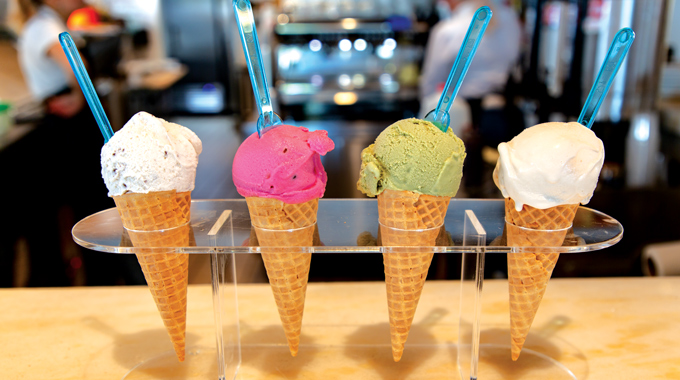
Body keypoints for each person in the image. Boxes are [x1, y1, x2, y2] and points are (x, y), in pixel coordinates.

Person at [9, 0, 142, 287]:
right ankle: (111, 283)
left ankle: (107, 281)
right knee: (96, 210)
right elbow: (77, 65)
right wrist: (79, 98)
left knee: (94, 209)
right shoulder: (44, 25)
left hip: (68, 127)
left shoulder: (48, 23)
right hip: (68, 131)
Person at [419, 0, 523, 196]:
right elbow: (514, 59)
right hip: (501, 114)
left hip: (460, 117)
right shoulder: (510, 21)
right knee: (502, 185)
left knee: (456, 186)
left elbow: (431, 80)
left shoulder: (447, 30)